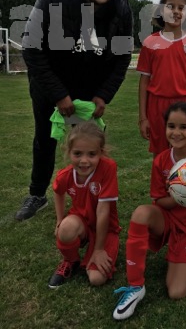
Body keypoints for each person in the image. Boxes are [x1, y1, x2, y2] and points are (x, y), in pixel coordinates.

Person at [16, 0, 132, 221]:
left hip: (90, 88)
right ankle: (37, 194)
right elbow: (31, 49)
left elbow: (123, 56)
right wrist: (58, 94)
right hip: (49, 82)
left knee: (91, 143)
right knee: (44, 138)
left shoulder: (122, 6)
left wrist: (104, 95)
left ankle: (94, 193)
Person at [112, 102, 186, 321]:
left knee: (176, 292)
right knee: (141, 214)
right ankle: (135, 286)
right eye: (171, 126)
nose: (177, 132)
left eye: (184, 127)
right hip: (166, 219)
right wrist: (181, 192)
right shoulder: (161, 160)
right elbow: (159, 201)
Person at [136, 0, 186, 239]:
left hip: (184, 108)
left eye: (182, 7)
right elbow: (144, 82)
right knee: (162, 160)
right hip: (158, 108)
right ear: (162, 10)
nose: (176, 11)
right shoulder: (151, 42)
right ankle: (167, 210)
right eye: (171, 6)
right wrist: (143, 116)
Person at [48, 121, 120, 288]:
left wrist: (99, 249)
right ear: (69, 152)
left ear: (101, 153)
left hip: (106, 227)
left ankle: (99, 247)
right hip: (82, 222)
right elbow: (58, 192)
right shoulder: (66, 175)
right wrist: (59, 220)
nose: (84, 161)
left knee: (96, 279)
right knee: (65, 229)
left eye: (92, 154)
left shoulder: (108, 168)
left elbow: (103, 211)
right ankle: (71, 261)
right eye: (78, 154)